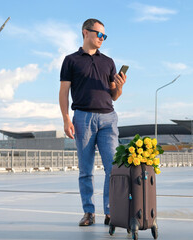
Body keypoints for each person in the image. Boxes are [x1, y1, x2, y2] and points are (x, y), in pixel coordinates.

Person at [59, 18, 126, 226]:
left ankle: (110, 211)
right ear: (85, 33)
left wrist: (120, 87)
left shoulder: (108, 62)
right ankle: (88, 212)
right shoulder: (71, 60)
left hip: (108, 117)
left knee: (113, 168)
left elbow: (114, 96)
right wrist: (66, 119)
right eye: (99, 34)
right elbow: (63, 92)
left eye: (104, 36)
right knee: (86, 170)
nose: (102, 39)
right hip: (83, 117)